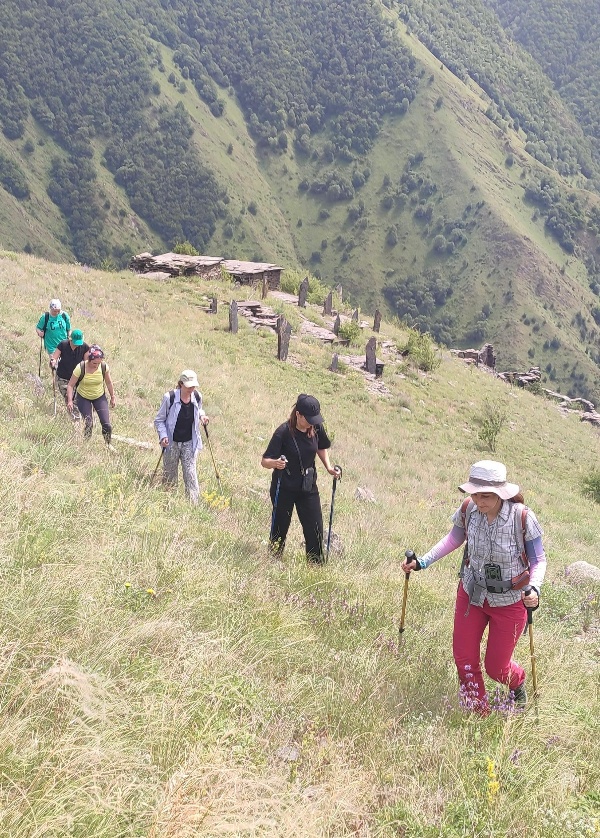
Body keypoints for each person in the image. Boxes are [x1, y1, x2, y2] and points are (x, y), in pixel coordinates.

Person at [402, 460, 546, 714]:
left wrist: (534, 588)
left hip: (510, 601)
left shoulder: (522, 517)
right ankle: (478, 712)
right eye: (475, 494)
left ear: (501, 493)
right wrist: (422, 562)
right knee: (464, 657)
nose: (480, 501)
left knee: (496, 668)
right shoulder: (469, 509)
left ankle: (518, 682)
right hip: (472, 594)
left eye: (487, 496)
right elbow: (454, 538)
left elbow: (538, 560)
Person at [261, 394, 341, 564]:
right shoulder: (283, 432)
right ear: (298, 414)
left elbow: (320, 447)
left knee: (315, 528)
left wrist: (328, 467)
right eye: (309, 419)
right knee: (279, 528)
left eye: (315, 419)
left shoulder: (316, 427)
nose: (312, 422)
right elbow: (264, 461)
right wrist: (275, 463)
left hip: (307, 486)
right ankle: (273, 561)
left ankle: (315, 565)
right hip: (284, 487)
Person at [154, 370, 209, 505]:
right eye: (189, 386)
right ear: (180, 384)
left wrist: (202, 416)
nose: (192, 389)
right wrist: (163, 436)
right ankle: (168, 503)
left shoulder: (197, 396)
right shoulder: (170, 397)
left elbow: (199, 408)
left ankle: (193, 506)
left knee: (190, 474)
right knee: (170, 474)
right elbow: (159, 420)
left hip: (189, 442)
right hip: (171, 442)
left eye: (193, 386)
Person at [66, 345, 116, 444]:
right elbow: (70, 385)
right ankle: (86, 443)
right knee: (89, 423)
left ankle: (108, 444)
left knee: (106, 424)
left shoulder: (103, 367)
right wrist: (70, 401)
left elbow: (109, 382)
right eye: (94, 363)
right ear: (89, 359)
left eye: (99, 363)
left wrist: (112, 396)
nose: (96, 365)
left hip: (99, 397)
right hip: (83, 397)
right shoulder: (81, 367)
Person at [49, 328, 90, 420]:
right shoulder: (63, 344)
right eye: (74, 342)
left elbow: (87, 363)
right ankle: (75, 421)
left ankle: (79, 420)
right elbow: (54, 357)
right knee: (69, 398)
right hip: (63, 378)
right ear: (70, 339)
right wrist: (53, 362)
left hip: (77, 379)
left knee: (78, 400)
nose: (76, 345)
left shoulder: (85, 347)